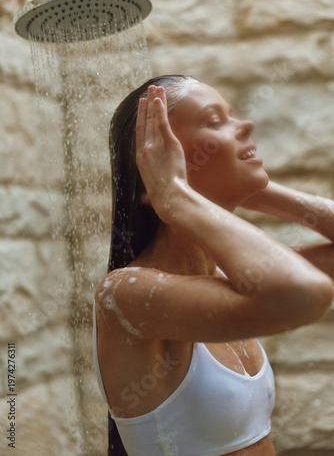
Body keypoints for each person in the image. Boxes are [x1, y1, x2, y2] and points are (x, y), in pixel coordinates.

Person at [93, 75, 334, 456]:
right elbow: (304, 293)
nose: (247, 125)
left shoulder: (226, 280)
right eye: (215, 121)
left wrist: (261, 191)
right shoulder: (124, 294)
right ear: (155, 169)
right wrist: (173, 195)